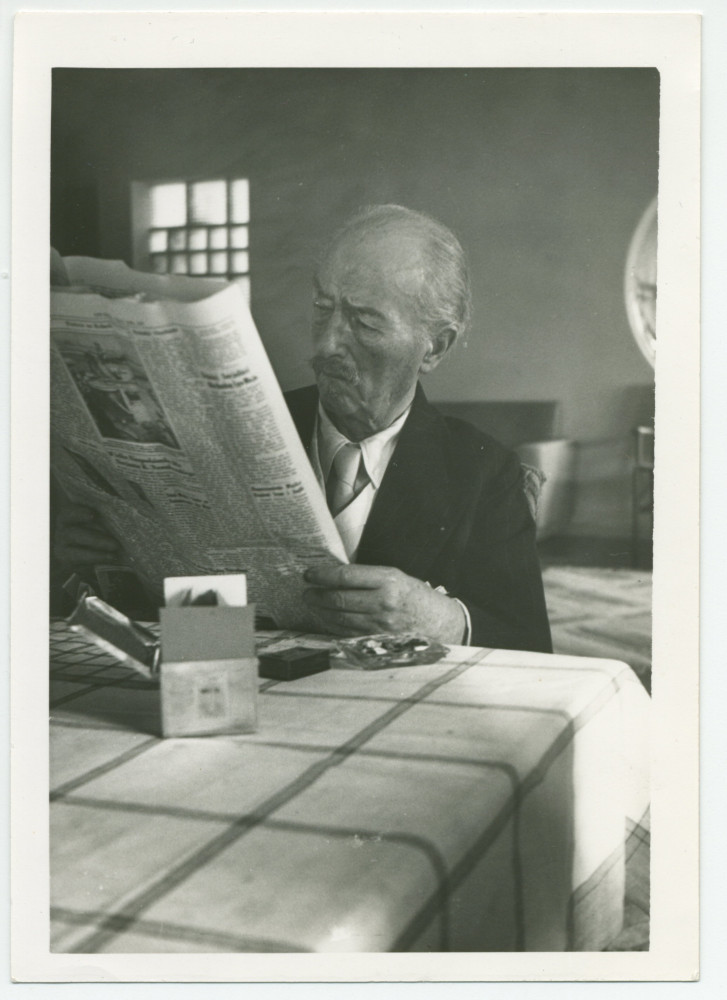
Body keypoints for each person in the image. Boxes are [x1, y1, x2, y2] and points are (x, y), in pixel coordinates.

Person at [54, 204, 552, 652]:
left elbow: (531, 647)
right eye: (322, 309)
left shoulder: (484, 472)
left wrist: (442, 620)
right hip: (232, 688)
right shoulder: (234, 425)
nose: (328, 344)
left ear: (435, 347)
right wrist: (88, 560)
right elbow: (170, 626)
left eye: (365, 322)